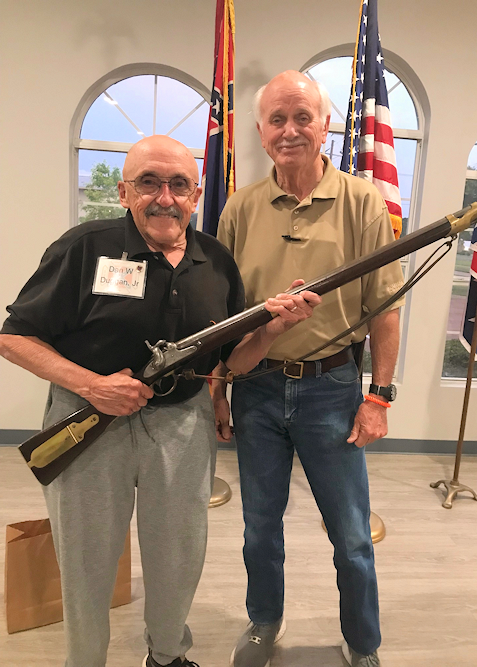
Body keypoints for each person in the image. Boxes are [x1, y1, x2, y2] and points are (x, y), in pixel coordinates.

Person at [0, 135, 320, 667]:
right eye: (148, 182)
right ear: (125, 192)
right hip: (87, 420)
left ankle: (167, 655)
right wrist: (92, 384)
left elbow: (232, 360)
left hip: (183, 424)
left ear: (196, 196)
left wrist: (271, 329)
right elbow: (13, 337)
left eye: (178, 185)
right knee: (86, 564)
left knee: (179, 555)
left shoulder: (215, 260)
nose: (163, 197)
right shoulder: (84, 246)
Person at [213, 71, 405, 667]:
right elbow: (222, 314)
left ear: (326, 125)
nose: (290, 130)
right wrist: (220, 391)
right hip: (256, 388)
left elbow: (386, 308)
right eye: (277, 119)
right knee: (258, 529)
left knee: (350, 537)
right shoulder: (239, 208)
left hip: (334, 390)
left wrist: (379, 396)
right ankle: (264, 622)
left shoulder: (362, 200)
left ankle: (362, 642)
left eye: (303, 117)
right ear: (261, 130)